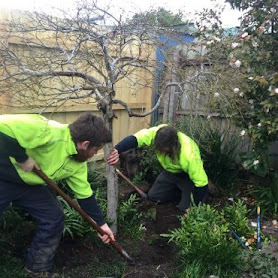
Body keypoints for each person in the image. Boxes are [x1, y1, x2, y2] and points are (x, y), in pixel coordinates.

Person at [0, 113, 115, 278]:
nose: (95, 154)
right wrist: (22, 157)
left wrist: (101, 225)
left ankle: (37, 269)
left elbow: (85, 195)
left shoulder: (77, 162)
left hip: (29, 185)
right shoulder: (47, 131)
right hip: (3, 175)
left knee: (53, 216)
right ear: (85, 144)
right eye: (96, 150)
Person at [108, 124, 208, 212]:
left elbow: (201, 183)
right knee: (154, 197)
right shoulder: (158, 133)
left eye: (163, 150)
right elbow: (136, 139)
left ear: (173, 146)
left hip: (187, 177)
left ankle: (187, 194)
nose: (160, 151)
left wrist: (193, 207)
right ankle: (179, 191)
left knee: (184, 209)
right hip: (170, 172)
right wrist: (117, 149)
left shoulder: (189, 154)